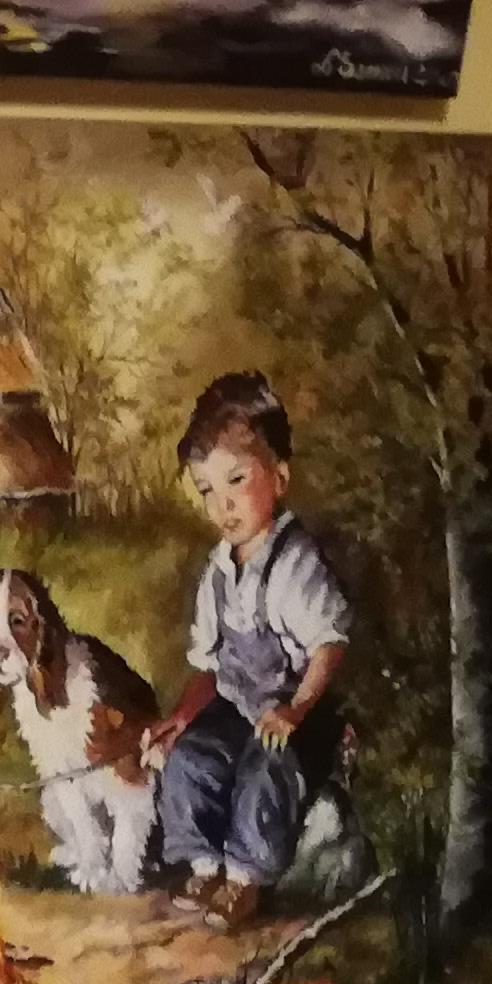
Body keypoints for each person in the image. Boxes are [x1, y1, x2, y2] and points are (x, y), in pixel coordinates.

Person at [140, 373, 351, 931]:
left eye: (236, 480)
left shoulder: (295, 563)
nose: (223, 504)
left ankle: (245, 879)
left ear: (279, 477)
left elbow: (329, 644)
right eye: (207, 489)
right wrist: (181, 719)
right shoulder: (217, 571)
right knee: (189, 759)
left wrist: (296, 708)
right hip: (237, 707)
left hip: (296, 714)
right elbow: (211, 666)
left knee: (266, 768)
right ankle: (204, 864)